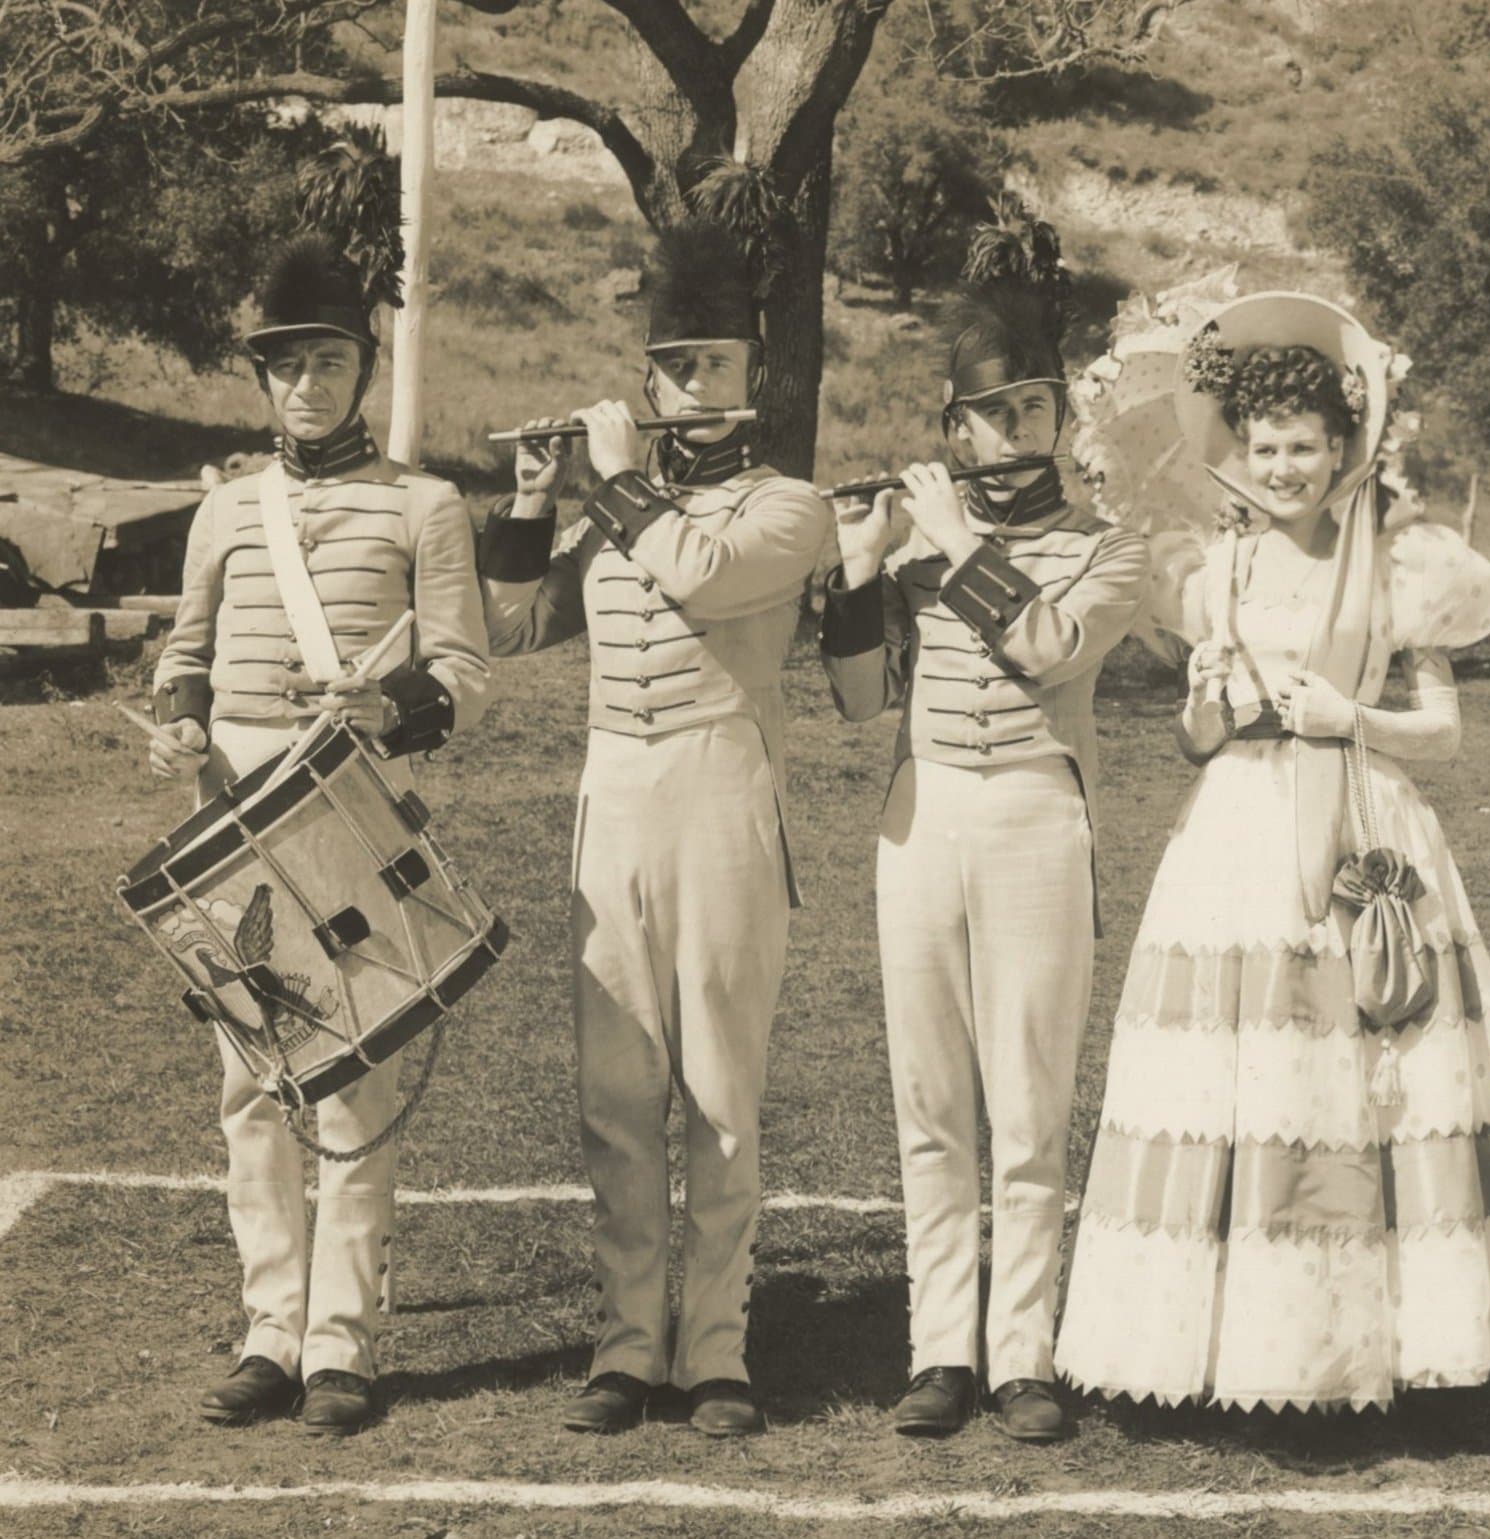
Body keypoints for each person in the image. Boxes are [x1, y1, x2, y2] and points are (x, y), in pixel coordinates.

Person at [1052, 290, 1490, 1411]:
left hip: (1366, 821)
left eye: (1305, 446)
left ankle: (1372, 1349)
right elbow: (1197, 742)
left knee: (1362, 1075)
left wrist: (1355, 719)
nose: (1284, 467)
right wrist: (1205, 705)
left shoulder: (1398, 568)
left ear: (1347, 448)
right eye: (1266, 447)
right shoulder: (1217, 572)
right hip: (1238, 830)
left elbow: (1444, 733)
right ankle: (1255, 1351)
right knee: (1255, 1080)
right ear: (1241, 453)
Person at [477, 222, 832, 1439]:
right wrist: (532, 502)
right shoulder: (613, 515)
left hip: (725, 803)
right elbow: (517, 628)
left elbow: (698, 574)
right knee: (616, 1093)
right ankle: (629, 1345)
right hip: (613, 805)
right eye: (677, 365)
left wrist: (615, 479)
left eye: (719, 365)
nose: (698, 385)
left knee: (721, 1090)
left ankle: (718, 1350)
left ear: (753, 380)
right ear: (650, 380)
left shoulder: (792, 506)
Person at [147, 235, 493, 1436]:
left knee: (348, 1072)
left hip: (345, 802)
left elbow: (464, 674)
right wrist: (176, 726)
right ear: (262, 378)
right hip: (231, 814)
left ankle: (339, 1344)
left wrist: (384, 711)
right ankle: (268, 1333)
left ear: (364, 366)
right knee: (251, 1082)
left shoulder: (425, 505)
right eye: (286, 364)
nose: (308, 384)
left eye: (330, 360)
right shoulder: (226, 511)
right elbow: (182, 661)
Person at [819, 287, 1149, 1443]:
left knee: (1027, 1097)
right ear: (955, 431)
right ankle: (939, 1350)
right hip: (922, 812)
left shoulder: (1107, 546)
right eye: (993, 416)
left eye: (1035, 409)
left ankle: (1024, 1355)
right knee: (930, 1099)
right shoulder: (917, 545)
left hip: (1034, 812)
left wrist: (954, 546)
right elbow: (862, 706)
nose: (1017, 433)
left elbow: (1049, 649)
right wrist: (861, 576)